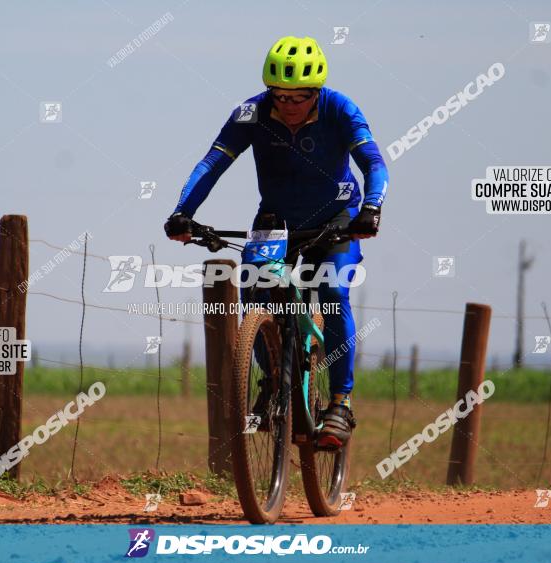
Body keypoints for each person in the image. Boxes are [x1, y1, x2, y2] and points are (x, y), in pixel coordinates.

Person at [164, 35, 389, 449]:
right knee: (256, 293)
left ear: (316, 92)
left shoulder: (341, 109)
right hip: (276, 221)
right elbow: (212, 163)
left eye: (299, 96)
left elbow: (374, 163)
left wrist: (371, 209)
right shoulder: (251, 113)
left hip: (337, 219)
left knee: (333, 292)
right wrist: (183, 212)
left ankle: (340, 402)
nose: (288, 105)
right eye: (280, 96)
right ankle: (273, 384)